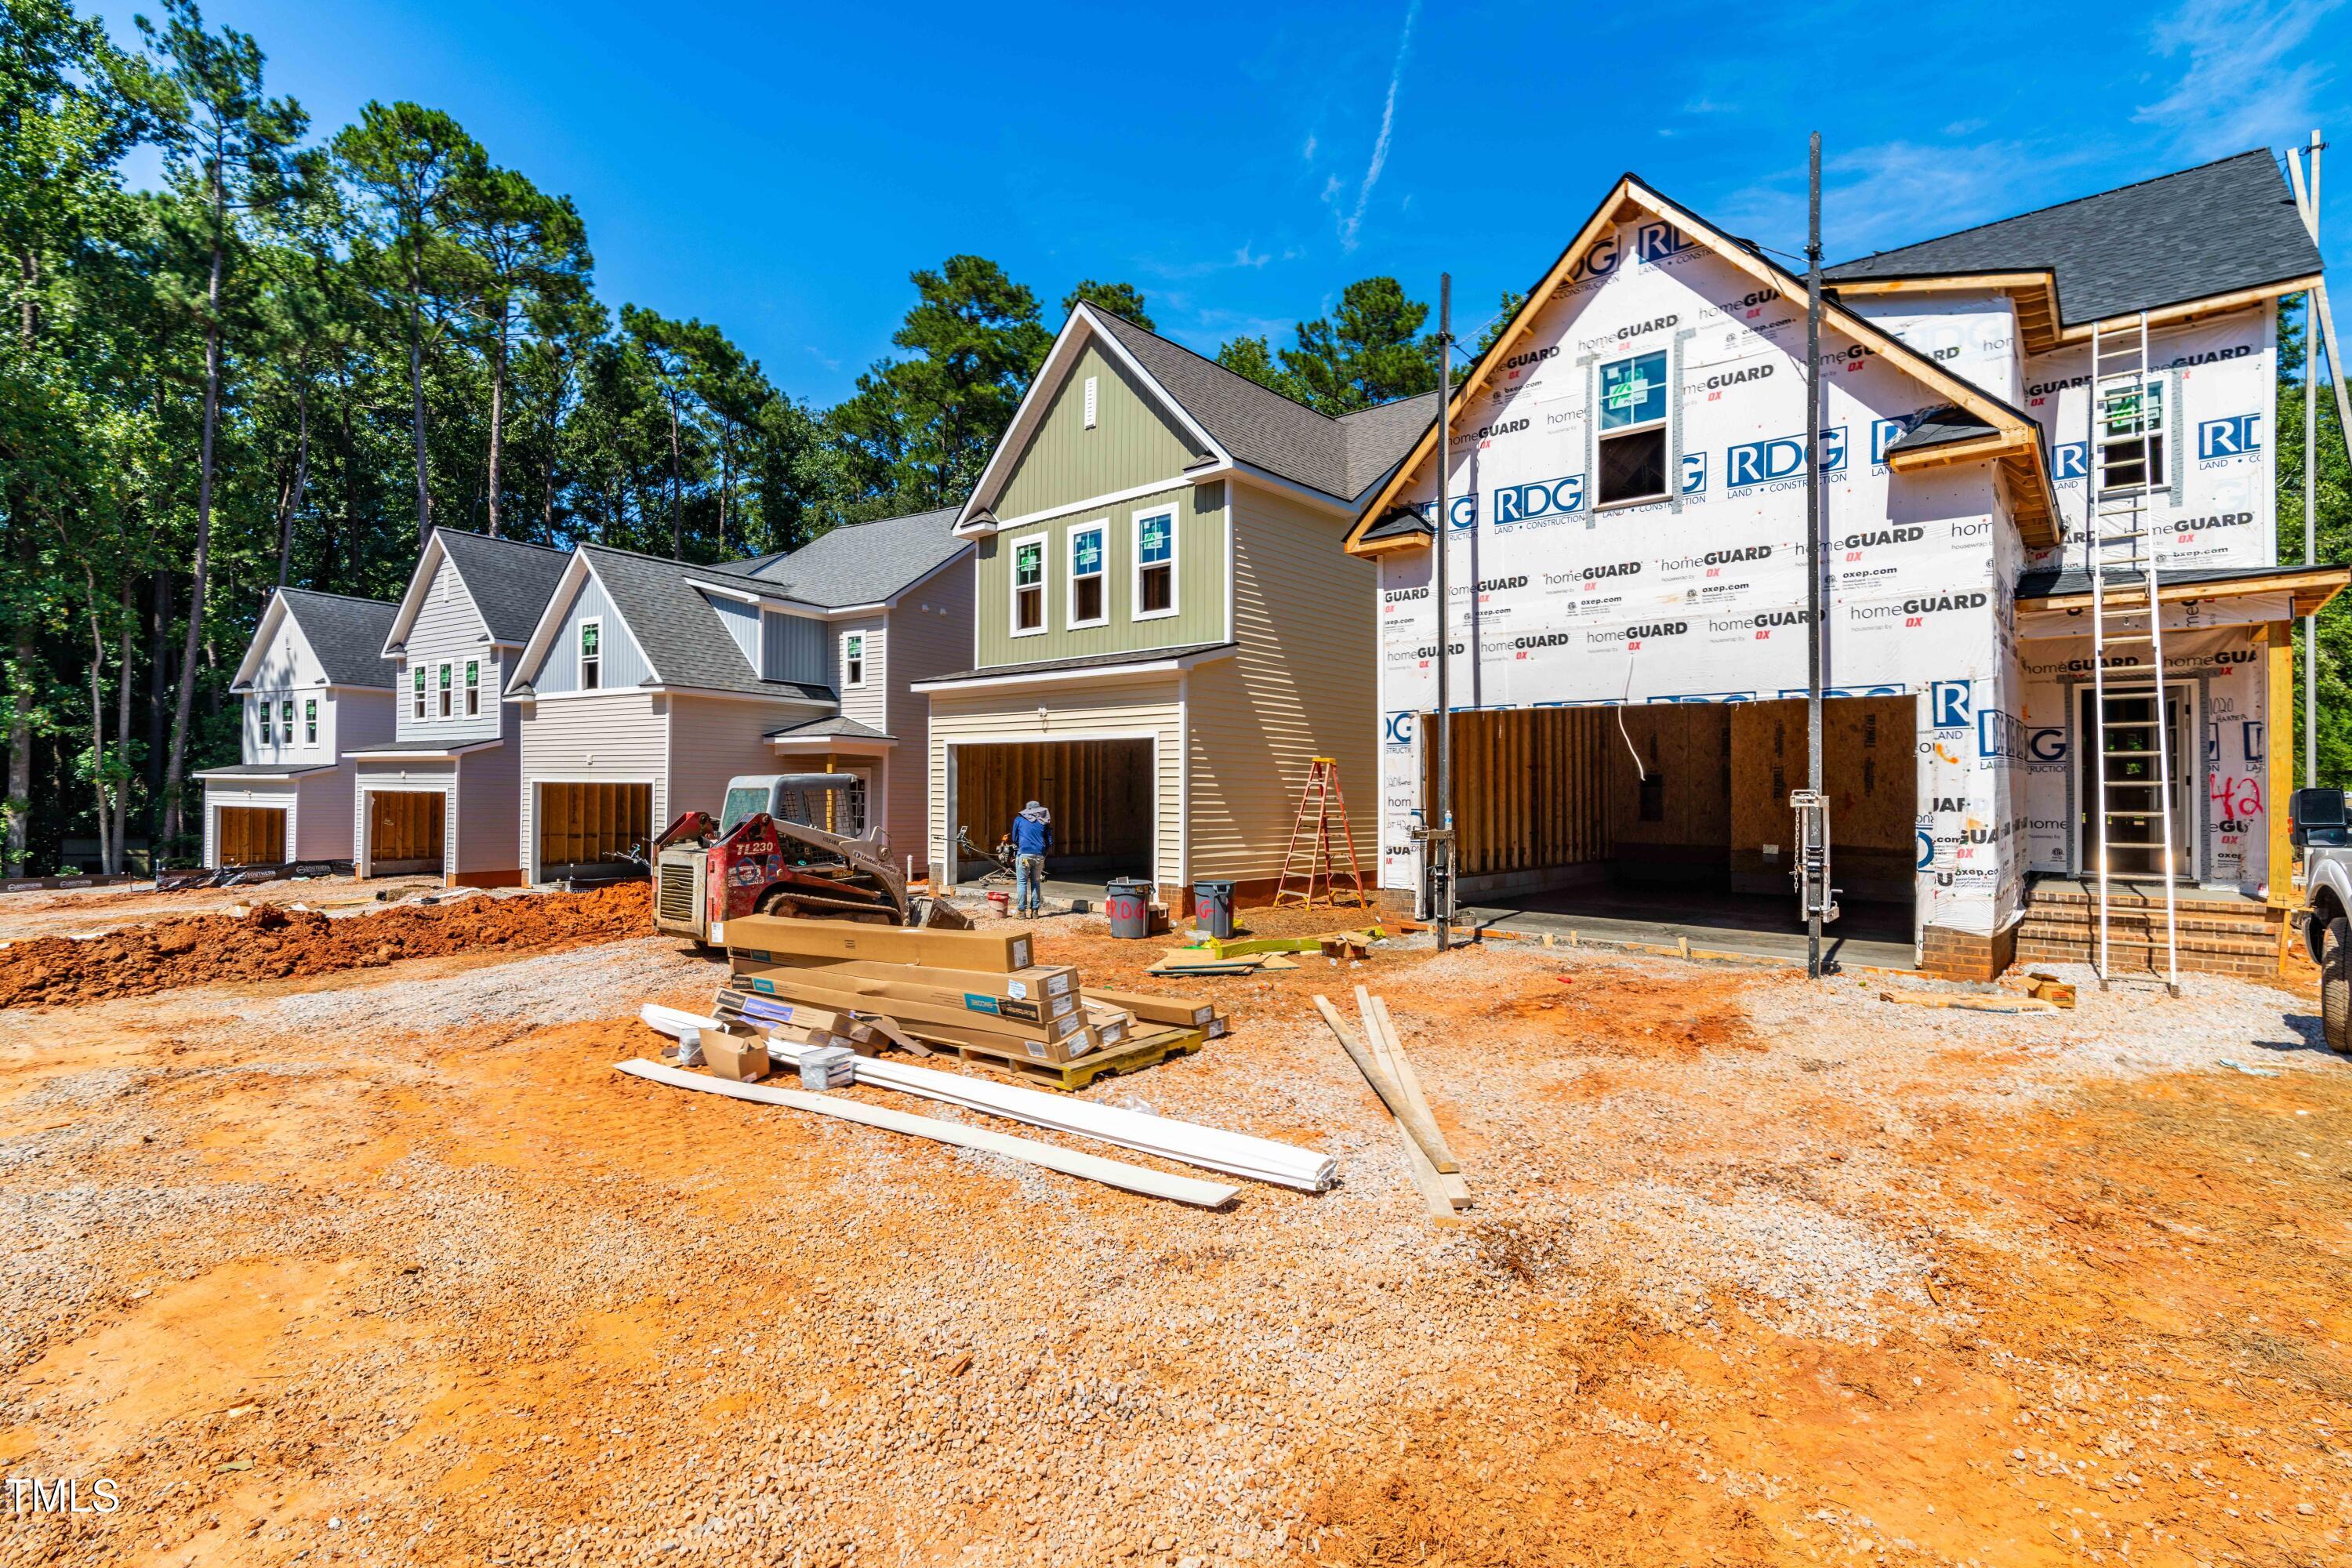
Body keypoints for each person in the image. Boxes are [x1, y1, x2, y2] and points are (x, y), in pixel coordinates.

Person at [1009, 800, 1053, 916]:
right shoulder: (1044, 821)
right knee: (1036, 883)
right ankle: (1035, 912)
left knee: (1022, 882)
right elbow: (1049, 842)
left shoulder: (1019, 820)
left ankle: (1021, 911)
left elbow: (1014, 839)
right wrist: (1043, 854)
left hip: (1024, 855)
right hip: (1039, 856)